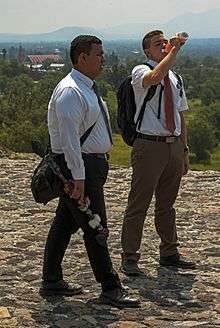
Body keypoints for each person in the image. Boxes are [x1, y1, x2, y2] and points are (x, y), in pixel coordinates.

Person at [39, 35, 139, 308]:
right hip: (78, 168)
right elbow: (70, 140)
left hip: (87, 166)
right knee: (97, 227)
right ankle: (110, 287)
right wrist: (79, 178)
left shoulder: (86, 87)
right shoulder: (71, 91)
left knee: (65, 222)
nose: (103, 59)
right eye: (98, 54)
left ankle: (51, 280)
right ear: (82, 58)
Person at [121, 30, 196, 276]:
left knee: (167, 203)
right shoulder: (140, 70)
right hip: (149, 144)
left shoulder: (175, 77)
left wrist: (184, 149)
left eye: (165, 42)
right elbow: (154, 77)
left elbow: (180, 114)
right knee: (139, 203)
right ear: (147, 51)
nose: (163, 45)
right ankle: (130, 256)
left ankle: (169, 252)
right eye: (158, 43)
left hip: (172, 144)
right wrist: (174, 51)